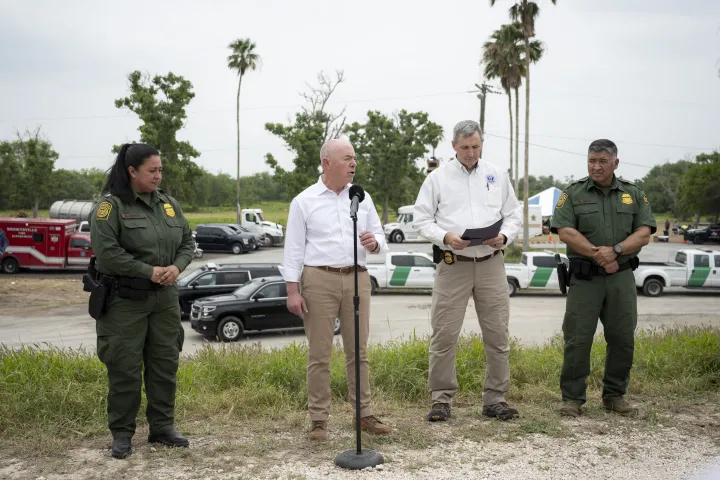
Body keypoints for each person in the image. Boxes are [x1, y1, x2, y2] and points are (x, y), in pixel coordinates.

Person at [281, 138, 393, 441]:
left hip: (357, 278)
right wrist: (293, 290)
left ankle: (364, 414)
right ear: (326, 163)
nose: (354, 163)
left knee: (359, 351)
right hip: (319, 279)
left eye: (354, 158)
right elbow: (293, 250)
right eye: (347, 158)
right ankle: (319, 420)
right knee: (320, 353)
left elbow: (381, 236)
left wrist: (375, 242)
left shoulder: (361, 197)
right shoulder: (304, 201)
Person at [89, 143, 195, 458]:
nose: (159, 176)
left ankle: (162, 428)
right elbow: (107, 254)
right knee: (125, 368)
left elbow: (188, 241)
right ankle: (122, 433)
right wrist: (148, 271)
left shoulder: (169, 205)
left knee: (164, 364)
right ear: (132, 171)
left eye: (160, 170)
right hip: (125, 301)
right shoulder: (110, 208)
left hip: (164, 299)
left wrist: (176, 267)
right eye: (152, 171)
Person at [413, 120, 523, 422]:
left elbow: (513, 215)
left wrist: (505, 236)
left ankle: (495, 399)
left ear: (481, 143)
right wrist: (445, 237)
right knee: (445, 334)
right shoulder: (437, 179)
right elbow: (421, 220)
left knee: (498, 334)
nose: (471, 153)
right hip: (454, 266)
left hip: (491, 264)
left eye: (475, 146)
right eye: (465, 148)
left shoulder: (497, 175)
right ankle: (441, 400)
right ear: (453, 146)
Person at [550, 139, 656, 418]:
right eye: (591, 161)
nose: (596, 166)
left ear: (615, 163)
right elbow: (565, 231)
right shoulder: (572, 193)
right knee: (577, 339)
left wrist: (616, 251)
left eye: (602, 161)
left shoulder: (633, 193)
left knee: (622, 338)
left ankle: (614, 396)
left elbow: (644, 232)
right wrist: (600, 256)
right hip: (585, 280)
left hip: (620, 278)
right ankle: (572, 399)